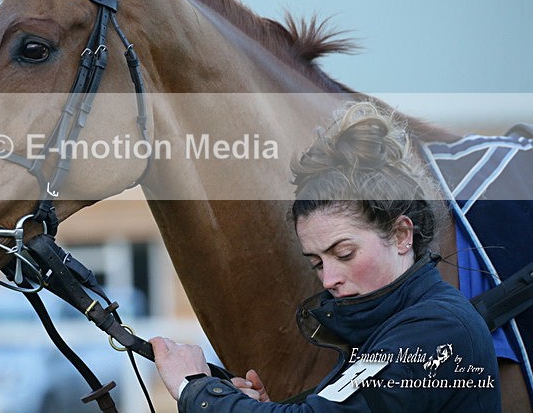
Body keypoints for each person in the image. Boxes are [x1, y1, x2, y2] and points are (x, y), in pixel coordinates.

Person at [151, 101, 501, 412]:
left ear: (400, 235)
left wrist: (194, 387)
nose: (328, 279)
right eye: (316, 262)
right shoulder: (388, 329)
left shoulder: (436, 330)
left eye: (344, 253)